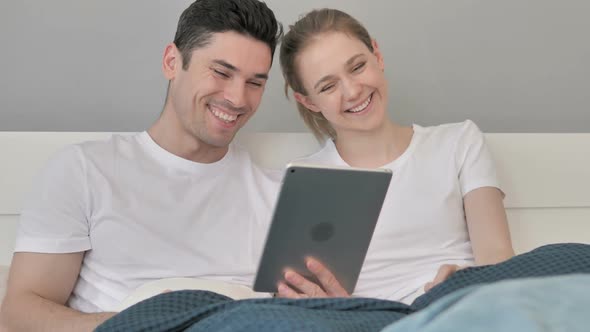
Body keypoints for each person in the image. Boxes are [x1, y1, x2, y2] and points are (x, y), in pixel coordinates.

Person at [0, 0, 282, 330]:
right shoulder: (85, 170)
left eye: (255, 83)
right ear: (172, 62)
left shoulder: (277, 194)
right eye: (221, 72)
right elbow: (19, 313)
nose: (237, 98)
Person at [276, 8, 514, 304]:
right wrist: (335, 306)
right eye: (328, 86)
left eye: (357, 67)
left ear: (377, 55)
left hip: (461, 305)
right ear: (308, 101)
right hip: (365, 318)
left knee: (569, 256)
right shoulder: (305, 180)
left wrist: (466, 277)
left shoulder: (459, 142)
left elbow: (499, 261)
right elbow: (293, 292)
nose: (352, 91)